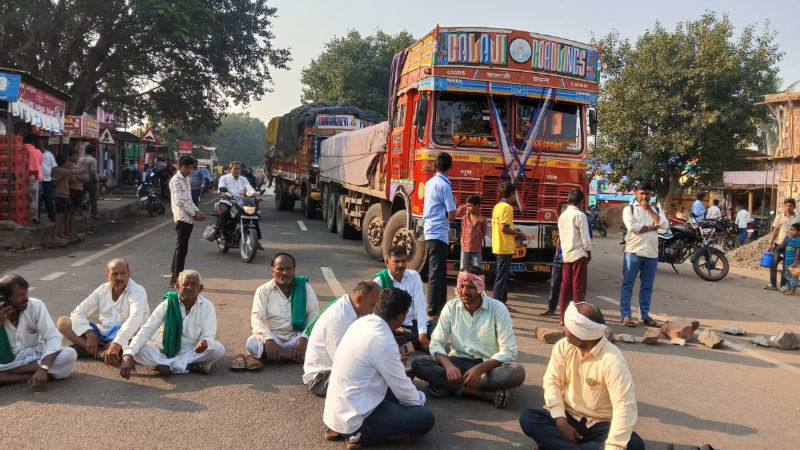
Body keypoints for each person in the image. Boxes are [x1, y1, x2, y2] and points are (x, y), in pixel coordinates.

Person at [519, 302, 644, 450]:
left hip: (600, 423)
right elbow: (552, 382)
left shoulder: (612, 361)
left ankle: (557, 446)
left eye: (568, 327)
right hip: (568, 415)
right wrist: (560, 420)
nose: (564, 330)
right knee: (529, 417)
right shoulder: (563, 346)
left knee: (634, 445)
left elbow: (624, 406)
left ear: (583, 333)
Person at [323, 287, 435, 448]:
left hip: (337, 410)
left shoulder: (361, 323)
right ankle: (361, 434)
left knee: (398, 394)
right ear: (401, 316)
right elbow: (406, 394)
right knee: (425, 418)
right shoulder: (383, 340)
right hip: (356, 419)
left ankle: (344, 429)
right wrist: (420, 399)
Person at [412, 268, 525, 409]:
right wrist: (448, 366)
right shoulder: (451, 307)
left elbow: (509, 350)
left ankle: (446, 386)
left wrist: (479, 370)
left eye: (471, 287)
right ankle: (482, 394)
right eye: (462, 286)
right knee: (419, 363)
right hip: (456, 363)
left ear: (480, 288)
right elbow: (436, 343)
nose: (464, 292)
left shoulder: (498, 309)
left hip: (487, 367)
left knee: (516, 372)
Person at [119, 270, 224, 377]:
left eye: (193, 285)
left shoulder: (207, 306)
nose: (189, 287)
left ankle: (165, 366)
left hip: (191, 351)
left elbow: (209, 333)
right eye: (185, 284)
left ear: (200, 289)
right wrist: (128, 355)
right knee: (137, 351)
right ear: (178, 287)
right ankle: (188, 366)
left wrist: (205, 342)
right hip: (164, 351)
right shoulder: (167, 304)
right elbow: (147, 329)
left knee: (218, 348)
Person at [56, 259, 149, 365]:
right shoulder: (102, 289)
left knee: (138, 332)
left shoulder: (137, 291)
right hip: (104, 332)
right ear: (107, 275)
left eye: (122, 273)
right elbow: (78, 312)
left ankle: (91, 349)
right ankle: (101, 353)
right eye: (114, 274)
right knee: (63, 322)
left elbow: (135, 319)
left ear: (129, 274)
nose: (119, 277)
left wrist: (116, 343)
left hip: (126, 334)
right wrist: (89, 334)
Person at [300, 281, 381, 396]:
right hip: (322, 379)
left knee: (379, 379)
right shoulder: (338, 318)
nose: (374, 310)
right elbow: (342, 362)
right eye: (373, 305)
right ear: (359, 299)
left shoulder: (350, 306)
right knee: (375, 387)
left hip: (337, 370)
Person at [241, 253, 320, 367]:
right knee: (252, 343)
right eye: (280, 269)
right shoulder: (263, 290)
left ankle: (277, 355)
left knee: (321, 341)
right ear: (272, 271)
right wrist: (269, 340)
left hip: (297, 337)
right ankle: (294, 356)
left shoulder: (304, 288)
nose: (285, 273)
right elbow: (256, 318)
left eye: (288, 269)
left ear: (294, 270)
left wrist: (304, 338)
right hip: (274, 337)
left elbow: (314, 316)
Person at [0, 274, 78, 388]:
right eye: (20, 295)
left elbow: (53, 337)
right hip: (4, 363)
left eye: (26, 293)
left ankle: (8, 376)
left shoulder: (35, 306)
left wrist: (44, 368)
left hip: (33, 357)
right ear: (6, 298)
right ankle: (25, 377)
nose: (26, 298)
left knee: (69, 354)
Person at [620, 182, 668, 327]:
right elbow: (633, 227)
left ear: (651, 195)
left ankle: (644, 316)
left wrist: (649, 211)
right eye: (641, 193)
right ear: (636, 193)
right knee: (628, 285)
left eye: (647, 194)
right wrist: (652, 227)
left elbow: (665, 226)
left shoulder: (657, 210)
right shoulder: (629, 210)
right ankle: (626, 316)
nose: (644, 197)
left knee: (647, 287)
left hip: (651, 254)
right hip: (633, 252)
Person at [374, 246, 430, 350]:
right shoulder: (380, 280)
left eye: (403, 261)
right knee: (387, 339)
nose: (401, 265)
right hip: (391, 326)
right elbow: (374, 312)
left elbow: (420, 305)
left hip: (411, 324)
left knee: (435, 327)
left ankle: (413, 341)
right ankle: (411, 342)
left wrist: (422, 334)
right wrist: (395, 327)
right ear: (387, 262)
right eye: (396, 261)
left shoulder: (414, 276)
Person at [423, 152, 456, 321]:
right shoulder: (445, 186)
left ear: (435, 166)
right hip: (439, 231)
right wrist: (459, 211)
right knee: (436, 272)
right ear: (450, 167)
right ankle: (432, 309)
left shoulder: (429, 183)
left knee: (440, 271)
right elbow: (451, 213)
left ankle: (439, 306)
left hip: (431, 230)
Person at [168, 154, 205, 289]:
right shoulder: (176, 180)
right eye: (187, 167)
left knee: (181, 248)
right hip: (182, 217)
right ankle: (177, 277)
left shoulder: (186, 179)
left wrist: (197, 211)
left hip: (188, 217)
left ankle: (174, 275)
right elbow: (180, 201)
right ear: (180, 166)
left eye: (191, 168)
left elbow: (189, 200)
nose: (190, 170)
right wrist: (194, 213)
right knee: (181, 249)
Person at [557, 189, 592, 322]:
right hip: (579, 255)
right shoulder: (580, 215)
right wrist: (589, 253)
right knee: (578, 287)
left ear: (568, 201)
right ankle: (578, 318)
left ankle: (563, 317)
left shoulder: (562, 216)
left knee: (565, 286)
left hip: (566, 255)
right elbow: (585, 239)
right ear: (581, 202)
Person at [492, 181, 526, 305]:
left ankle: (502, 304)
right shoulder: (507, 208)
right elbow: (504, 228)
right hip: (505, 247)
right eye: (515, 194)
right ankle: (497, 306)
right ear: (512, 194)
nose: (515, 197)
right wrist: (519, 234)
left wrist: (514, 230)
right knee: (501, 279)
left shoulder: (497, 206)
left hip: (498, 245)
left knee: (503, 277)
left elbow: (504, 226)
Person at [216, 161, 255, 245]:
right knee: (224, 211)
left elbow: (249, 188)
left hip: (240, 202)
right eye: (235, 168)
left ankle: (256, 239)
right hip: (227, 201)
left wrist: (255, 194)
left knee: (253, 214)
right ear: (230, 169)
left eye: (239, 168)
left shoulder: (243, 179)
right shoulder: (224, 178)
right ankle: (222, 234)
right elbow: (220, 188)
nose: (237, 170)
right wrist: (223, 194)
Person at [765, 199, 799, 291]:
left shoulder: (798, 218)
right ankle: (773, 284)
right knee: (773, 263)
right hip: (779, 244)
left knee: (786, 266)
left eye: (790, 205)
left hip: (791, 247)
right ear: (784, 206)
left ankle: (784, 285)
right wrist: (770, 244)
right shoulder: (779, 217)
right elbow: (775, 231)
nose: (788, 207)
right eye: (787, 205)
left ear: (794, 207)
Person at [51, 154, 81, 241]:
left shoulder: (60, 170)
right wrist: (82, 169)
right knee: (61, 215)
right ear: (63, 162)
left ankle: (61, 233)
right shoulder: (60, 170)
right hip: (60, 195)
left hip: (64, 195)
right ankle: (55, 235)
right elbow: (74, 172)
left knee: (63, 215)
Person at [456, 195, 487, 270]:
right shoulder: (464, 218)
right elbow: (462, 231)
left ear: (476, 206)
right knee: (463, 270)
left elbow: (484, 233)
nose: (467, 208)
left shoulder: (482, 220)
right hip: (465, 248)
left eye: (469, 206)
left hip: (477, 249)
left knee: (477, 271)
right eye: (466, 206)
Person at [66, 149, 88, 232]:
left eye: (76, 156)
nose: (75, 157)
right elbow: (69, 178)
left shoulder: (81, 166)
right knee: (70, 211)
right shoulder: (67, 165)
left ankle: (71, 230)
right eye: (73, 156)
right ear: (69, 157)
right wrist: (79, 176)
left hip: (79, 190)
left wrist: (77, 177)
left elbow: (86, 178)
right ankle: (68, 230)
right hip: (71, 190)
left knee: (74, 211)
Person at [79, 145, 100, 219]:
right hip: (90, 180)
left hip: (82, 180)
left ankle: (79, 211)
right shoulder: (93, 160)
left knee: (81, 196)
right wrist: (96, 180)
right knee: (93, 198)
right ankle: (94, 213)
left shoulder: (80, 159)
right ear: (92, 152)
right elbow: (93, 172)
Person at [40, 140, 57, 222]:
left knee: (49, 199)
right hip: (38, 180)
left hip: (47, 180)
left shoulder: (49, 154)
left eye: (41, 143)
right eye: (38, 143)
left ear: (44, 144)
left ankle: (52, 216)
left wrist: (52, 177)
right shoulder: (35, 153)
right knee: (38, 200)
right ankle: (37, 217)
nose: (40, 145)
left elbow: (53, 166)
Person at [783, 223, 800, 295]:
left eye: (793, 230)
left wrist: (795, 262)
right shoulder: (789, 239)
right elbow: (781, 245)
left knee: (794, 276)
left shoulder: (798, 240)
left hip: (794, 262)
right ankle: (788, 288)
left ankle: (793, 290)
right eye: (790, 230)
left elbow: (798, 252)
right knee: (787, 275)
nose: (791, 231)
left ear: (799, 232)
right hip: (787, 261)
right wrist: (785, 238)